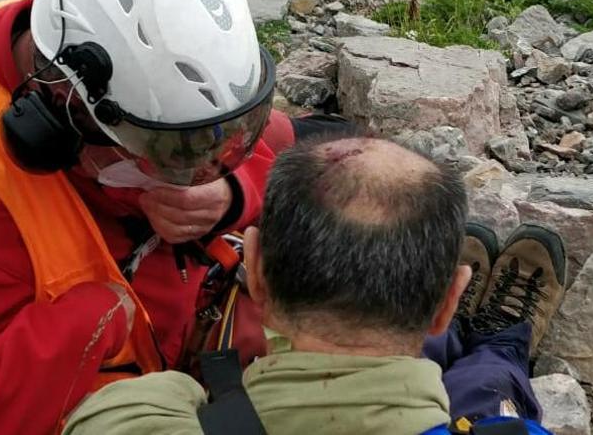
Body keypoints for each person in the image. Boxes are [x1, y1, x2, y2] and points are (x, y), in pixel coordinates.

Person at [0, 0, 335, 433]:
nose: (198, 173)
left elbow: (225, 140)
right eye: (172, 155)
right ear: (65, 117)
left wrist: (233, 193)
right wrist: (96, 320)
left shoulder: (87, 31)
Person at [64, 134, 566, 435]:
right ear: (447, 300)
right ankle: (501, 341)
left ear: (255, 272)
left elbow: (144, 402)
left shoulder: (125, 418)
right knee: (485, 391)